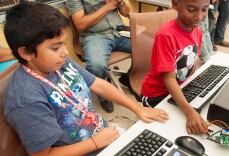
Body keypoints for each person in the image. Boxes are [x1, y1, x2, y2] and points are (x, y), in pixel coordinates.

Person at [3, 2, 169, 155]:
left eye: (64, 43)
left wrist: (137, 108)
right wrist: (95, 142)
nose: (65, 53)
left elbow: (98, 84)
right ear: (26, 53)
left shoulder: (58, 63)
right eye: (55, 47)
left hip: (102, 134)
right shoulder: (26, 99)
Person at [140, 0, 209, 135]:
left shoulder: (198, 32)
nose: (199, 17)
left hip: (180, 88)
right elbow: (169, 78)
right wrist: (189, 111)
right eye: (191, 9)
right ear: (176, 5)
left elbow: (192, 64)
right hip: (156, 94)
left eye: (204, 9)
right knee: (173, 131)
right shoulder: (166, 35)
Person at [66, 0, 131, 113]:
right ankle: (103, 95)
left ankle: (129, 77)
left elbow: (127, 13)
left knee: (150, 46)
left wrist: (121, 4)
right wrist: (107, 7)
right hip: (96, 36)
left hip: (119, 31)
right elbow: (80, 24)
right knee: (96, 65)